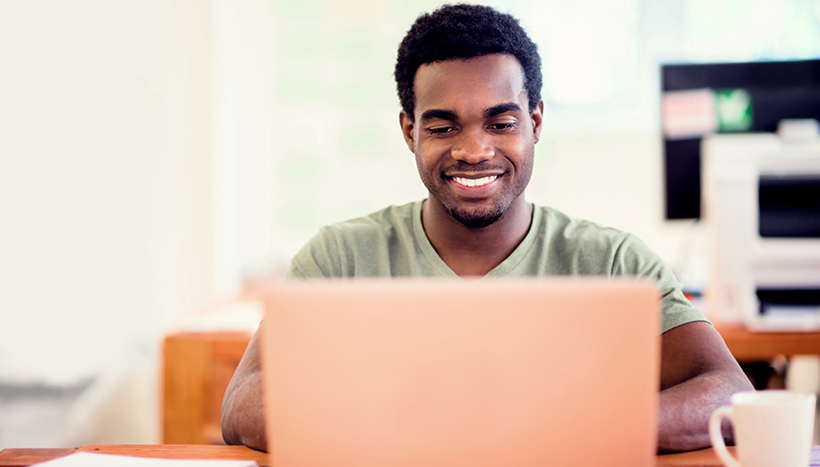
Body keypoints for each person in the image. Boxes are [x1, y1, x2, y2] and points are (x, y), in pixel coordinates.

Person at [221, 3, 753, 453]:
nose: (474, 151)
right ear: (410, 130)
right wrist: (427, 428)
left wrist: (560, 432)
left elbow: (731, 394)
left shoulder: (613, 261)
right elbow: (243, 403)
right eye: (443, 125)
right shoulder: (341, 256)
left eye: (501, 124)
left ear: (535, 122)